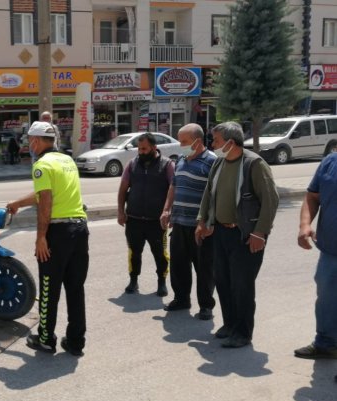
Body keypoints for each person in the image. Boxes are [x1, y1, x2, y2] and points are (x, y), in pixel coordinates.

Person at [6, 121, 89, 357]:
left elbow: (46, 202)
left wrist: (41, 237)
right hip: (80, 229)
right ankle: (75, 342)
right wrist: (17, 204)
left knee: (49, 288)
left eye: (30, 139)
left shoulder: (42, 165)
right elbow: (45, 192)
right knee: (75, 289)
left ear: (37, 140)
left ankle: (45, 339)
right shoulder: (67, 160)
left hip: (58, 233)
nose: (29, 143)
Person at [196, 121, 279, 348]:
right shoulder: (220, 163)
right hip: (221, 232)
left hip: (245, 234)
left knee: (241, 285)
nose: (212, 144)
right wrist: (202, 221)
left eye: (216, 140)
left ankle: (243, 332)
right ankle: (230, 324)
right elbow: (208, 194)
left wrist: (260, 232)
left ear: (231, 142)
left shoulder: (254, 164)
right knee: (223, 280)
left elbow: (270, 201)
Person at [160, 124, 217, 320]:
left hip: (200, 226)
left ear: (197, 141)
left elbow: (216, 195)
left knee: (204, 268)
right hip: (179, 223)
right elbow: (173, 186)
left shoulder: (212, 162)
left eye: (183, 141)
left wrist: (209, 222)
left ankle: (206, 305)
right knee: (179, 265)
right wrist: (167, 209)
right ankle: (182, 298)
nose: (180, 145)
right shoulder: (182, 160)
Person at [117, 133, 174, 297]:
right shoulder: (132, 164)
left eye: (144, 149)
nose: (140, 152)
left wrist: (167, 211)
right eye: (139, 149)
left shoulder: (167, 165)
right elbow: (122, 190)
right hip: (134, 219)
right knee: (134, 252)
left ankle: (161, 283)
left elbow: (173, 188)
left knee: (160, 254)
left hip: (156, 221)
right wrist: (121, 211)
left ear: (154, 148)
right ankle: (133, 281)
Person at [294, 152, 337, 359]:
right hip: (330, 250)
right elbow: (312, 196)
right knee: (327, 298)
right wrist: (305, 225)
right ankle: (326, 343)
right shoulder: (330, 162)